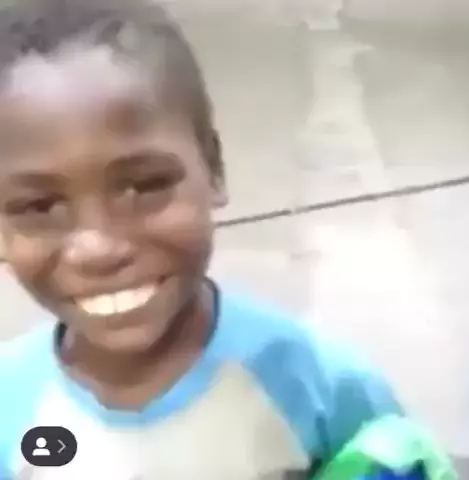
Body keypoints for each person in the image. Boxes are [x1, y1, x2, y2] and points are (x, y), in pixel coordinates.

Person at [0, 0, 414, 478]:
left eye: (145, 186)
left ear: (213, 168)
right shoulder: (11, 405)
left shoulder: (324, 391)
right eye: (39, 207)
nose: (99, 248)